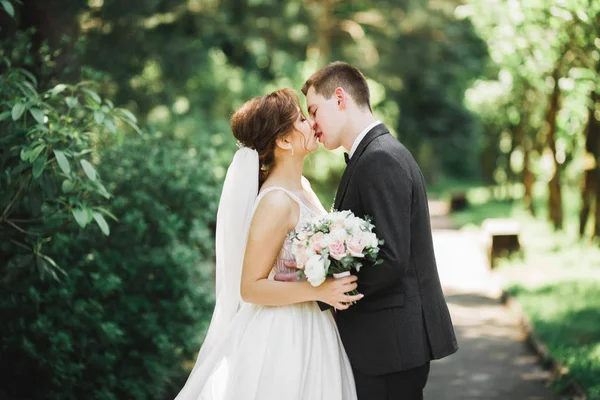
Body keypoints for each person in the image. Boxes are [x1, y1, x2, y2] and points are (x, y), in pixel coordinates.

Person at [174, 88, 360, 400]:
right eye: (301, 119)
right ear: (284, 141)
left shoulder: (301, 186)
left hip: (315, 324)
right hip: (284, 333)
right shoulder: (275, 201)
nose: (311, 122)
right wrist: (319, 290)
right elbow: (250, 287)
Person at [300, 61, 459, 400]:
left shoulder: (379, 158)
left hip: (390, 346)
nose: (312, 125)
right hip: (388, 346)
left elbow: (391, 258)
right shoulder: (373, 154)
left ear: (340, 98)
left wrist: (332, 291)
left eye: (314, 111)